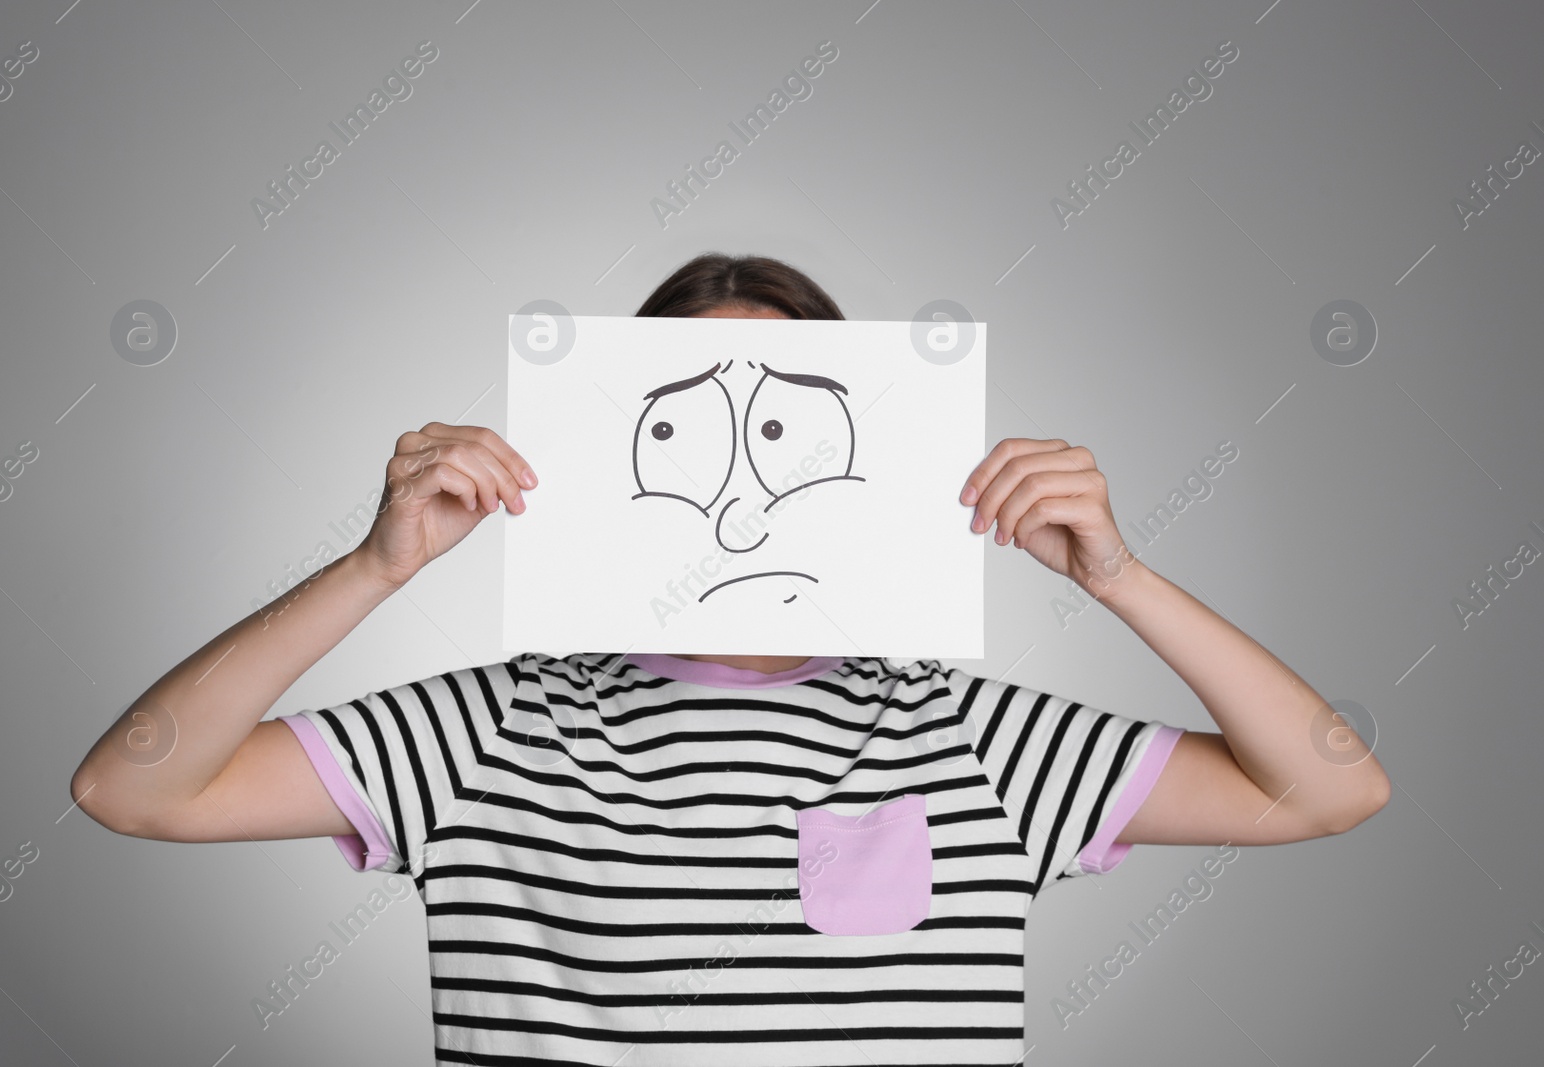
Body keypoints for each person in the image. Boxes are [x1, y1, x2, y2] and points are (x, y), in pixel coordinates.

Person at [70, 252, 1391, 1063]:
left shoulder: (982, 740)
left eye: (786, 428)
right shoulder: (482, 733)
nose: (734, 502)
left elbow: (1327, 786)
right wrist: (377, 569)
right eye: (682, 428)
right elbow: (136, 788)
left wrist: (1122, 578)